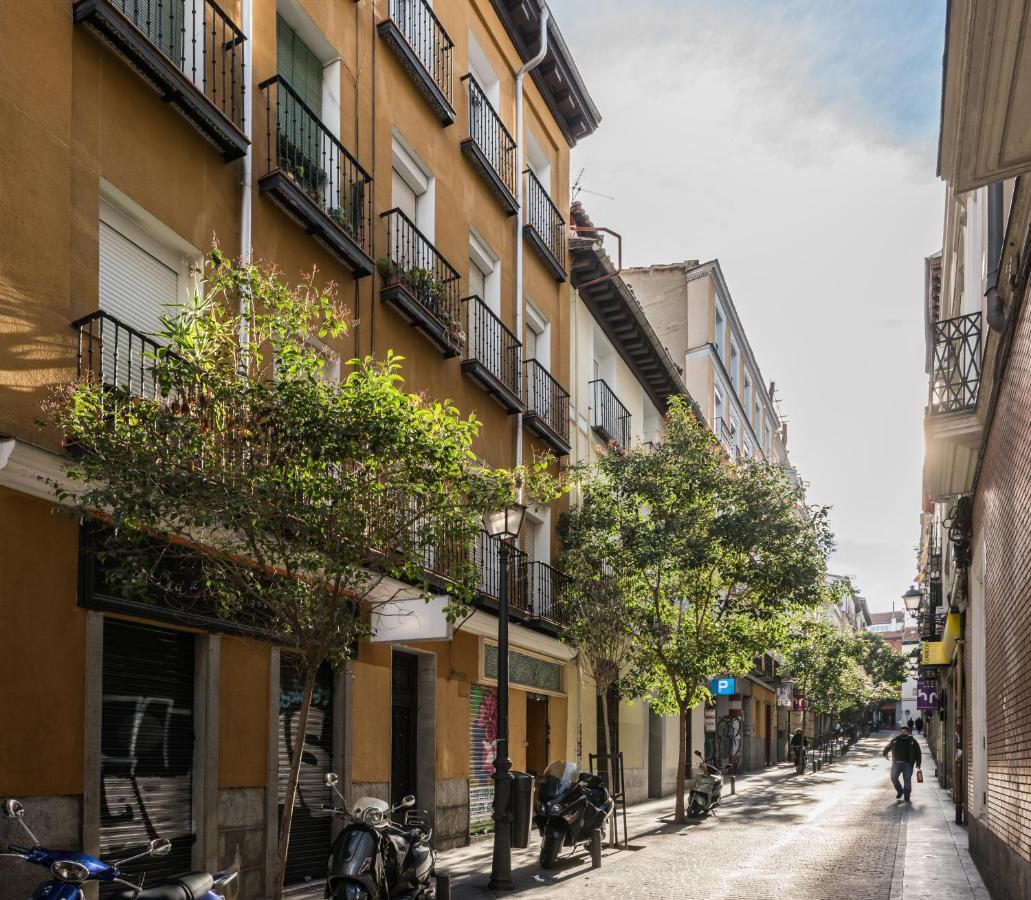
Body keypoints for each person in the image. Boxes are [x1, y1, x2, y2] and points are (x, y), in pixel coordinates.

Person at [883, 725, 922, 802]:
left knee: (907, 780)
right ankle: (900, 791)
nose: (903, 733)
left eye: (904, 731)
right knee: (893, 777)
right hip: (896, 763)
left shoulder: (913, 741)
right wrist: (885, 754)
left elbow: (918, 753)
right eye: (901, 731)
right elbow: (888, 747)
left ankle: (907, 795)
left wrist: (918, 765)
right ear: (900, 732)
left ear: (908, 732)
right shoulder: (896, 740)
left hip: (908, 764)